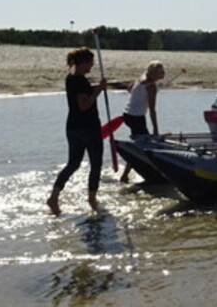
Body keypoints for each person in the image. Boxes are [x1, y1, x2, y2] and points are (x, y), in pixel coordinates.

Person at [46, 47, 107, 215]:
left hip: (73, 127)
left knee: (73, 163)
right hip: (88, 127)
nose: (92, 66)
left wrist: (97, 87)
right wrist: (99, 91)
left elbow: (83, 92)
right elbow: (84, 105)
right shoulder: (80, 80)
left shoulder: (71, 78)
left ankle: (54, 196)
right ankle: (92, 199)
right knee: (96, 163)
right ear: (84, 62)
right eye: (90, 63)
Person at [119, 60, 165, 183]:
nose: (164, 74)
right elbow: (152, 110)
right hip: (136, 118)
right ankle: (125, 175)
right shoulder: (151, 86)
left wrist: (141, 96)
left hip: (127, 115)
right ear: (154, 73)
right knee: (143, 147)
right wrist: (156, 130)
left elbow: (129, 89)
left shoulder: (141, 78)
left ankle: (126, 175)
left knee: (140, 145)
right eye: (161, 72)